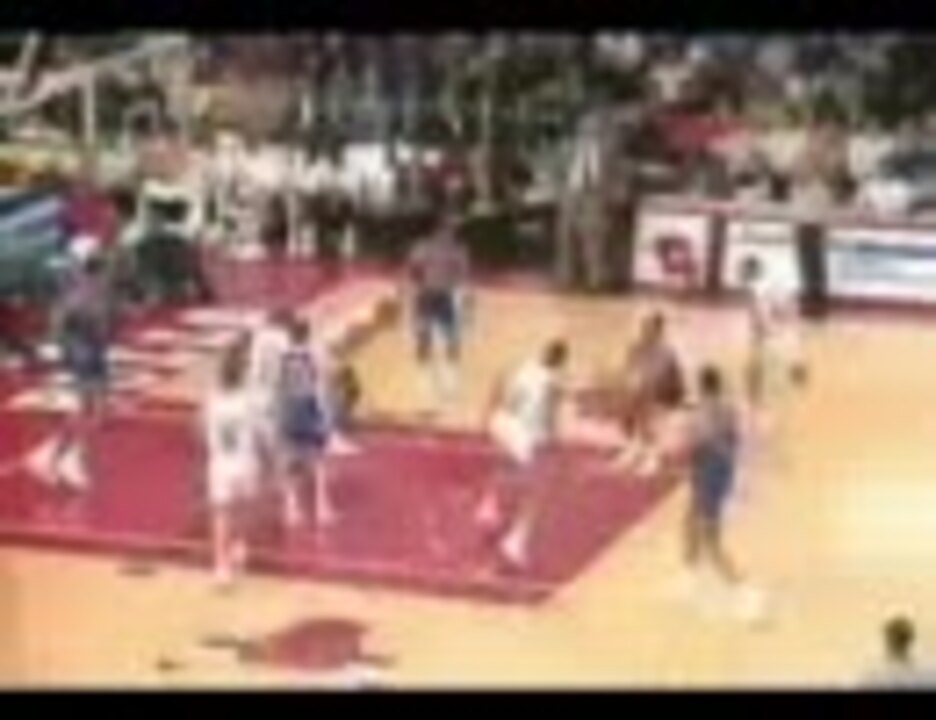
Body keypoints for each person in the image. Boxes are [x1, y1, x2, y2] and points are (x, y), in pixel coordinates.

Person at [475, 339, 571, 573]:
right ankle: (515, 543)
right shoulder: (553, 381)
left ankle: (488, 507)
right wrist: (554, 441)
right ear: (561, 362)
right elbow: (549, 416)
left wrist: (489, 417)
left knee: (507, 466)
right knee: (536, 490)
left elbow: (507, 395)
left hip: (502, 422)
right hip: (523, 433)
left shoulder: (526, 368)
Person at [680, 365, 764, 621]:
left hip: (708, 477)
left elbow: (694, 445)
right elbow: (734, 441)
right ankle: (689, 577)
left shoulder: (701, 415)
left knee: (711, 543)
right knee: (688, 521)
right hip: (718, 474)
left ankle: (745, 591)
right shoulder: (728, 409)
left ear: (701, 387)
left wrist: (688, 441)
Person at [27, 253, 114, 492]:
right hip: (81, 357)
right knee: (84, 410)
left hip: (95, 356)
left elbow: (102, 328)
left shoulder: (98, 294)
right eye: (108, 272)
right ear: (97, 273)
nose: (110, 277)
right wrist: (63, 350)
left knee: (95, 411)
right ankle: (63, 457)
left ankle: (55, 453)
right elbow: (57, 324)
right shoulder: (78, 296)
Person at [201, 333, 260, 589]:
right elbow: (258, 431)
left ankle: (220, 565)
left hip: (220, 464)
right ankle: (240, 545)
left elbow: (201, 429)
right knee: (243, 508)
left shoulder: (212, 398)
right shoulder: (248, 399)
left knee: (220, 515)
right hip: (244, 462)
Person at [271, 315, 337, 529]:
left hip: (289, 409)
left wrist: (277, 415)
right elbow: (320, 386)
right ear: (307, 335)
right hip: (308, 408)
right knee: (318, 460)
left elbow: (278, 388)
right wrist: (326, 416)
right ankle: (322, 507)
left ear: (290, 335)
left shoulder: (282, 357)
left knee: (290, 462)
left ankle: (291, 508)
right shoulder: (314, 355)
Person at [404, 215, 472, 412]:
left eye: (454, 230)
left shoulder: (458, 250)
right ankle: (425, 382)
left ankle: (450, 384)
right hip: (426, 297)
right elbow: (412, 271)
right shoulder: (422, 247)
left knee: (452, 340)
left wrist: (463, 298)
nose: (453, 233)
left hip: (445, 298)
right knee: (423, 339)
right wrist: (416, 290)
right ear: (439, 229)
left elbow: (463, 276)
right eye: (449, 229)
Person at [612, 312, 686, 477]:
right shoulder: (635, 348)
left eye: (649, 328)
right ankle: (632, 449)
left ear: (659, 331)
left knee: (651, 425)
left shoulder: (667, 352)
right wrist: (628, 390)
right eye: (644, 327)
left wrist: (653, 392)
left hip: (659, 396)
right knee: (629, 417)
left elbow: (669, 378)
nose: (645, 331)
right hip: (639, 393)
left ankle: (652, 459)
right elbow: (628, 370)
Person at [739, 255, 807, 411]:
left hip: (774, 330)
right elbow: (791, 303)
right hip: (786, 326)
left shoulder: (757, 288)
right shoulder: (772, 282)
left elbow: (760, 313)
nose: (742, 276)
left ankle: (754, 400)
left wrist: (761, 331)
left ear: (751, 272)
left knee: (756, 363)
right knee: (790, 359)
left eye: (744, 272)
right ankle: (795, 381)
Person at [861, 616, 936, 689]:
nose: (897, 641)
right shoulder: (873, 672)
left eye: (900, 638)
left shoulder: (926, 671)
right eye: (895, 638)